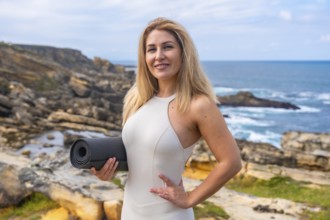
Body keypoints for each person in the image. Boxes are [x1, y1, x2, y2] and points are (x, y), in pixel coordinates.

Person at [91, 17, 242, 220]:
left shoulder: (198, 105)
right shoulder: (137, 99)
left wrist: (190, 198)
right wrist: (108, 170)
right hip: (131, 213)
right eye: (151, 49)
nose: (159, 56)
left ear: (183, 53)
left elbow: (231, 162)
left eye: (167, 47)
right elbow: (139, 154)